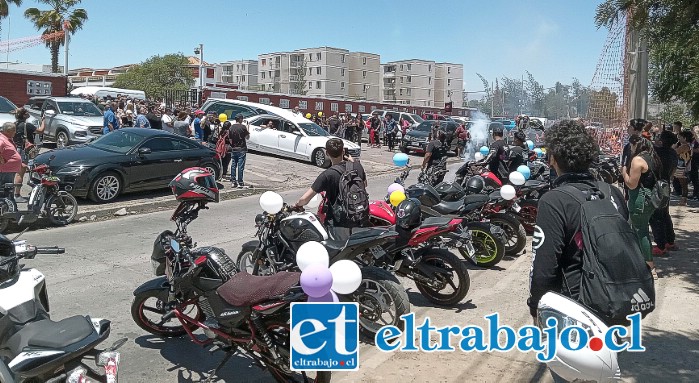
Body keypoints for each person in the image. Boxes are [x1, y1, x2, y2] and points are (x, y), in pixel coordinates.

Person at [528, 119, 628, 325]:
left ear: (553, 159)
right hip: (613, 300)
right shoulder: (612, 192)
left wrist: (536, 305)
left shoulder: (554, 200)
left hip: (572, 306)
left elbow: (545, 267)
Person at [294, 138, 367, 232]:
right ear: (343, 151)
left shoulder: (328, 175)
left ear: (327, 154)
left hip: (338, 223)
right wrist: (352, 162)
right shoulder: (357, 166)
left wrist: (297, 205)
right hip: (360, 216)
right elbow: (364, 184)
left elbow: (304, 199)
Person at [623, 135, 662, 279]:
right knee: (638, 230)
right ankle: (638, 262)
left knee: (641, 231)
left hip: (640, 198)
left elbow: (631, 184)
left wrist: (623, 172)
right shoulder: (653, 158)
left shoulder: (637, 160)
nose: (630, 149)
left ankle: (649, 266)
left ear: (636, 146)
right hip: (651, 197)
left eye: (631, 146)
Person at [650, 130, 679, 256]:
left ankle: (661, 245)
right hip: (666, 184)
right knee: (665, 214)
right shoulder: (673, 153)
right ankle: (670, 240)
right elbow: (673, 170)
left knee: (656, 216)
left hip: (657, 185)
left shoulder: (658, 152)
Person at [12, 109, 37, 202]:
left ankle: (11, 193)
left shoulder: (14, 124)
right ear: (24, 115)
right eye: (27, 112)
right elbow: (41, 131)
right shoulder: (27, 125)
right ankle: (17, 195)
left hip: (14, 149)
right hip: (23, 150)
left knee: (13, 172)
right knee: (20, 173)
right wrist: (43, 121)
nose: (28, 113)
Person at [621, 119, 646, 199]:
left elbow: (625, 164)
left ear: (634, 129)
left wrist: (623, 171)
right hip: (632, 183)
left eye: (630, 126)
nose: (628, 128)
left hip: (638, 183)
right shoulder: (647, 144)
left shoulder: (642, 145)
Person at [0, 123, 22, 199]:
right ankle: (8, 206)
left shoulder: (6, 139)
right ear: (8, 131)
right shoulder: (2, 140)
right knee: (6, 190)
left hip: (9, 170)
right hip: (5, 170)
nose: (15, 132)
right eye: (13, 130)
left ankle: (9, 206)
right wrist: (2, 160)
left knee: (8, 189)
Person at [228, 114, 250, 188]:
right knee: (240, 166)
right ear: (240, 119)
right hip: (241, 148)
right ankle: (240, 181)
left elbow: (230, 139)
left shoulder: (231, 127)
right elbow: (247, 137)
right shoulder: (243, 127)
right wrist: (248, 129)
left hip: (234, 148)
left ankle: (233, 181)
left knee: (233, 165)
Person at [673, 130, 693, 205]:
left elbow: (674, 151)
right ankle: (683, 199)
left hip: (682, 166)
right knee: (683, 184)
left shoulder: (685, 146)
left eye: (680, 137)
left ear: (685, 138)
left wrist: (675, 145)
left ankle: (684, 200)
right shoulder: (688, 145)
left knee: (683, 184)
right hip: (683, 165)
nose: (679, 139)